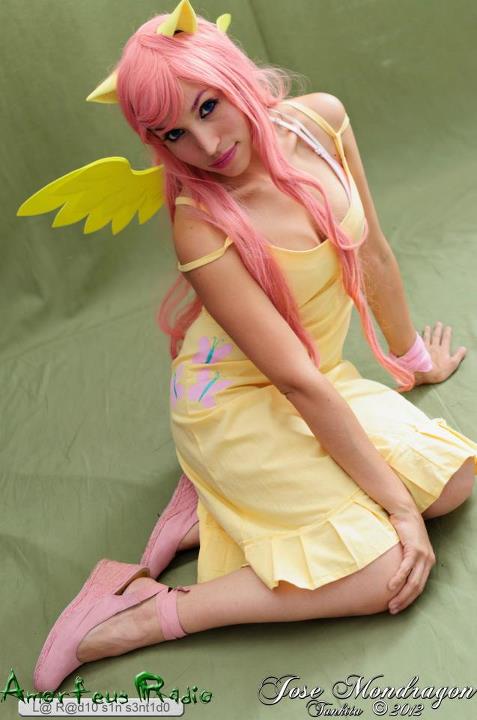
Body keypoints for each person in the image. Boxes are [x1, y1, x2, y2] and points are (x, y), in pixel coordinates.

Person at [31, 0, 477, 693]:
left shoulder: (321, 122)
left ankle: (215, 508)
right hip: (231, 402)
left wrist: (412, 359)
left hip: (317, 380)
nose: (206, 145)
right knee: (386, 569)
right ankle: (142, 610)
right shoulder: (200, 223)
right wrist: (394, 509)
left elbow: (375, 252)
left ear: (234, 76)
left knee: (453, 481)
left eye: (208, 106)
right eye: (174, 134)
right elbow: (294, 381)